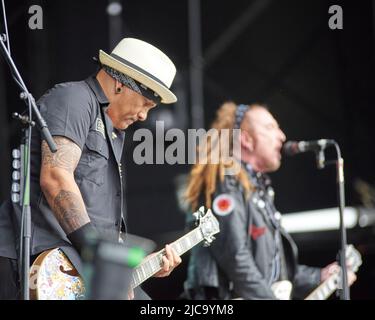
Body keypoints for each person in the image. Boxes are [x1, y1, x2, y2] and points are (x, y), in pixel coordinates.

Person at [0, 38, 181, 299]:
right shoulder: (74, 98)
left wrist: (129, 265)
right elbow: (56, 178)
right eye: (145, 103)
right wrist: (102, 257)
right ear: (121, 83)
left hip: (80, 263)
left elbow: (99, 218)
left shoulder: (115, 133)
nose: (144, 116)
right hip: (42, 261)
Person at [183, 102, 355, 300]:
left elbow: (277, 272)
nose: (281, 136)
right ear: (246, 139)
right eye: (270, 128)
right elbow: (236, 259)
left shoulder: (257, 190)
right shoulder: (225, 181)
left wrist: (320, 276)